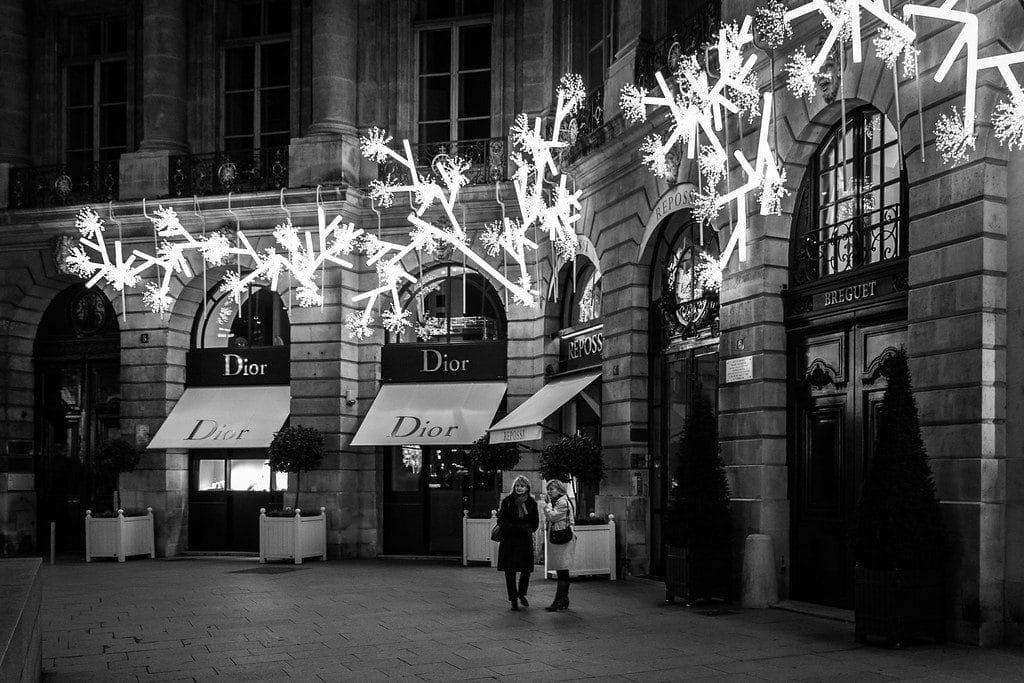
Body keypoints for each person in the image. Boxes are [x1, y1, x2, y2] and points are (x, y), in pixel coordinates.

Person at [496, 475, 539, 611]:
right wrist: (512, 528)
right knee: (510, 571)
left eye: (522, 486)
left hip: (524, 539)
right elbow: (501, 519)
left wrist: (525, 529)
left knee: (525, 569)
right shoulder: (507, 501)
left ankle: (522, 593)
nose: (519, 488)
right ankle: (513, 598)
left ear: (527, 488)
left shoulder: (532, 502)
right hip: (509, 539)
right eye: (517, 486)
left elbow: (534, 523)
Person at [543, 479, 576, 611]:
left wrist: (547, 505)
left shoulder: (561, 502)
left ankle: (559, 601)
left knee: (562, 570)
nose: (549, 491)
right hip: (559, 539)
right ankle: (563, 600)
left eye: (552, 489)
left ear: (560, 490)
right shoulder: (559, 501)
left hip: (562, 540)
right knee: (561, 570)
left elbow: (552, 516)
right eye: (548, 489)